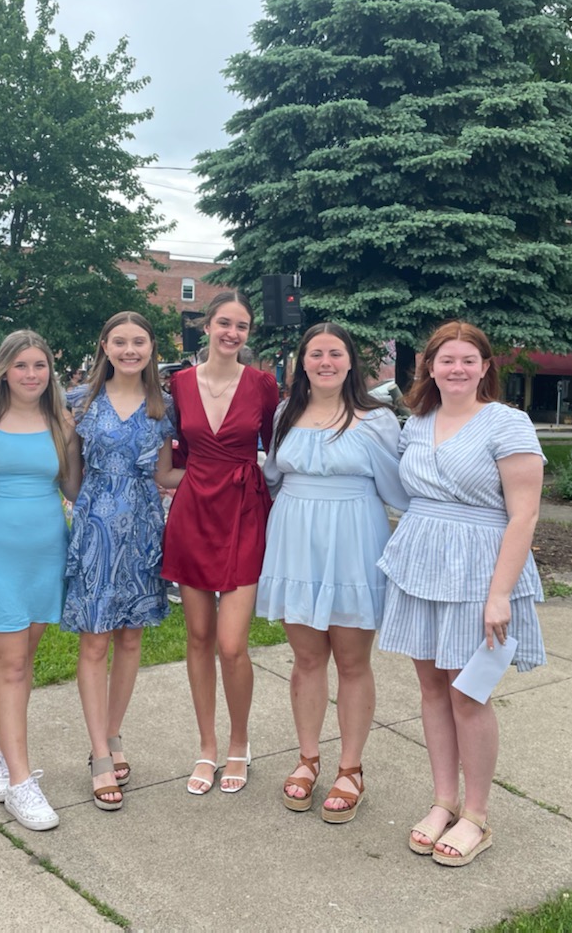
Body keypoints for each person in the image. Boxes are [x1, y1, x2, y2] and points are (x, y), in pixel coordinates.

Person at [377, 320, 545, 868]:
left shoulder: (507, 422)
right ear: (429, 366)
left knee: (469, 693)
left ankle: (475, 815)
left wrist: (499, 596)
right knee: (431, 688)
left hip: (480, 568)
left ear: (485, 367)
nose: (456, 368)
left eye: (467, 360)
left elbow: (524, 515)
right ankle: (443, 800)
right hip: (422, 561)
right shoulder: (417, 422)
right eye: (445, 359)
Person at [258, 323, 408, 823]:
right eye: (316, 353)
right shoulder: (285, 413)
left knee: (351, 660)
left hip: (354, 540)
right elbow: (274, 478)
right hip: (296, 542)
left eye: (335, 353)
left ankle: (350, 768)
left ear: (350, 362)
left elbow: (397, 490)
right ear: (302, 361)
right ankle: (307, 759)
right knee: (304, 658)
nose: (325, 361)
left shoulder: (377, 419)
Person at [0, 330, 80, 831]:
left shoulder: (62, 422)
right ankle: (21, 784)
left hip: (46, 552)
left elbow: (73, 487)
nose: (32, 374)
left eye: (40, 365)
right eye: (21, 365)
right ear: (3, 370)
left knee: (23, 662)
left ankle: (5, 760)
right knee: (10, 666)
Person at [162, 291, 279, 795]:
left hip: (244, 511)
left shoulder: (263, 385)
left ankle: (239, 741)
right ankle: (207, 746)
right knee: (198, 638)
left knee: (232, 645)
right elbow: (178, 451)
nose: (233, 333)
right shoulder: (180, 384)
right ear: (206, 326)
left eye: (243, 326)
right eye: (225, 323)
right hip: (193, 511)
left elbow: (276, 452)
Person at [64, 312, 180, 811]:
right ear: (105, 346)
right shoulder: (79, 403)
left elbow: (166, 472)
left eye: (139, 342)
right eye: (120, 342)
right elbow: (69, 476)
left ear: (152, 348)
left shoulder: (164, 407)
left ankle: (112, 734)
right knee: (95, 640)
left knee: (130, 637)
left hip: (144, 530)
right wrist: (92, 509)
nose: (130, 350)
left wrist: (228, 477)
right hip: (95, 532)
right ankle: (97, 755)